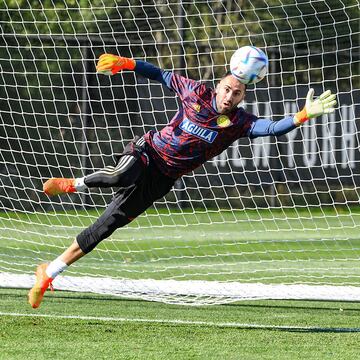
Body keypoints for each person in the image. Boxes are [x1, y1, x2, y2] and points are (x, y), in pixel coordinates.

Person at [28, 53, 337, 308]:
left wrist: (303, 115)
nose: (230, 96)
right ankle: (73, 184)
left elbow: (272, 129)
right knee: (120, 175)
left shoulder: (239, 123)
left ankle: (49, 272)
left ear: (244, 95)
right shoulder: (195, 92)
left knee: (106, 226)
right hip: (147, 151)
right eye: (227, 89)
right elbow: (161, 74)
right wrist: (127, 63)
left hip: (163, 178)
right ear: (218, 86)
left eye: (237, 93)